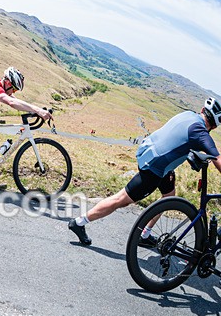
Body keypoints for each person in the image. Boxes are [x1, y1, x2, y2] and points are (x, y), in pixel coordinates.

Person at [68, 97, 221, 246]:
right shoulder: (201, 133)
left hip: (151, 155)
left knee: (168, 196)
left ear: (202, 110)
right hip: (154, 168)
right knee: (120, 200)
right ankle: (79, 222)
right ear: (214, 127)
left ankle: (145, 234)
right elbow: (217, 159)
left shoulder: (188, 114)